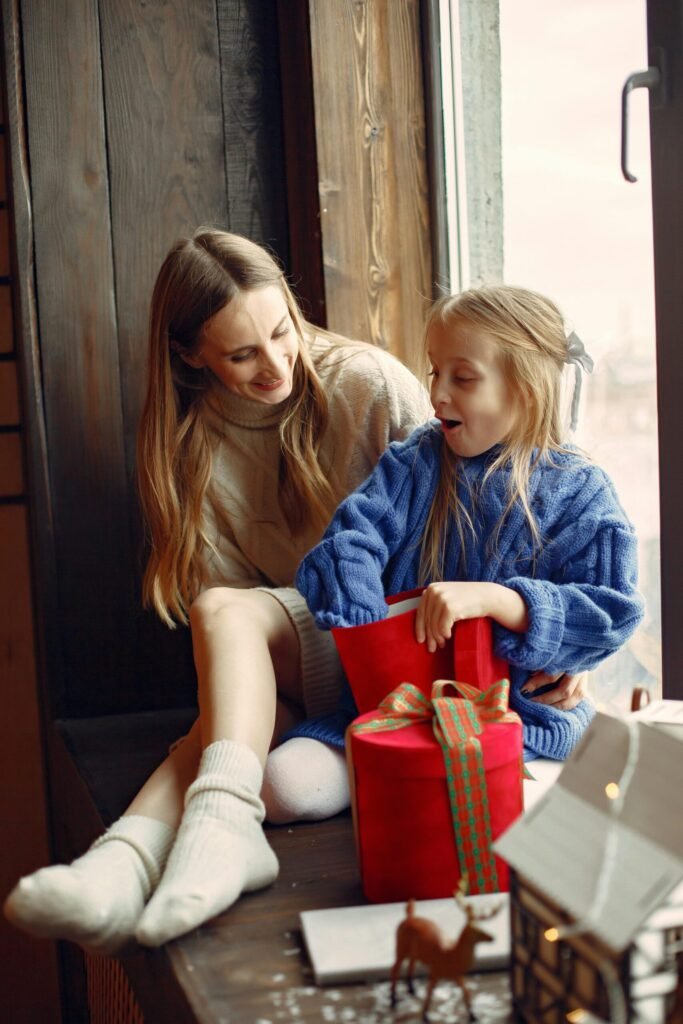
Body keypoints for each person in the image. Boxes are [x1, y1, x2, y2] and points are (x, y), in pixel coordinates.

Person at [3, 229, 433, 953]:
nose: (274, 364)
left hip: (398, 638)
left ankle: (143, 852)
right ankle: (124, 864)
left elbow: (461, 529)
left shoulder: (368, 383)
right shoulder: (188, 440)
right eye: (241, 354)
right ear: (188, 353)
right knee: (227, 719)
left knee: (222, 616)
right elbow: (229, 650)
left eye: (280, 331)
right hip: (309, 660)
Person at [289, 284, 644, 778]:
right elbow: (350, 542)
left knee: (490, 801)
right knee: (284, 785)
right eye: (436, 371)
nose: (436, 393)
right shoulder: (414, 462)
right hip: (396, 714)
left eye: (463, 377)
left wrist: (498, 601)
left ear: (524, 389)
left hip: (519, 727)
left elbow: (610, 611)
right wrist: (374, 639)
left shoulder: (581, 491)